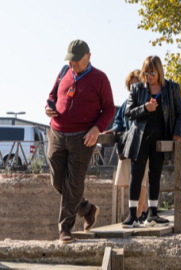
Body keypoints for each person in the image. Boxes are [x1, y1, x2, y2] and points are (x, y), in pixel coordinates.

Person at [45, 40, 115, 244]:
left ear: (88, 57)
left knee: (73, 183)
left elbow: (109, 109)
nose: (72, 64)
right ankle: (86, 208)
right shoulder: (64, 72)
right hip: (57, 133)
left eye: (76, 60)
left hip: (82, 138)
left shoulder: (100, 78)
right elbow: (51, 96)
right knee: (57, 181)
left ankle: (65, 229)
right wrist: (48, 107)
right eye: (70, 60)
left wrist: (96, 128)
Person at [122, 55, 181, 227]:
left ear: (159, 72)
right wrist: (145, 108)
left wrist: (177, 133)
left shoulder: (171, 88)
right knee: (136, 174)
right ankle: (132, 215)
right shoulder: (137, 89)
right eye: (146, 72)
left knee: (156, 174)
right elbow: (128, 113)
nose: (149, 76)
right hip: (140, 136)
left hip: (160, 137)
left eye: (152, 72)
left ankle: (153, 213)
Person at [102, 70, 149, 224]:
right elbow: (119, 121)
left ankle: (139, 212)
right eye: (131, 85)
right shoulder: (125, 104)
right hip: (128, 144)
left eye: (136, 83)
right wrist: (114, 130)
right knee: (129, 181)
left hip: (143, 144)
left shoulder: (147, 101)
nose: (133, 87)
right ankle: (143, 209)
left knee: (141, 180)